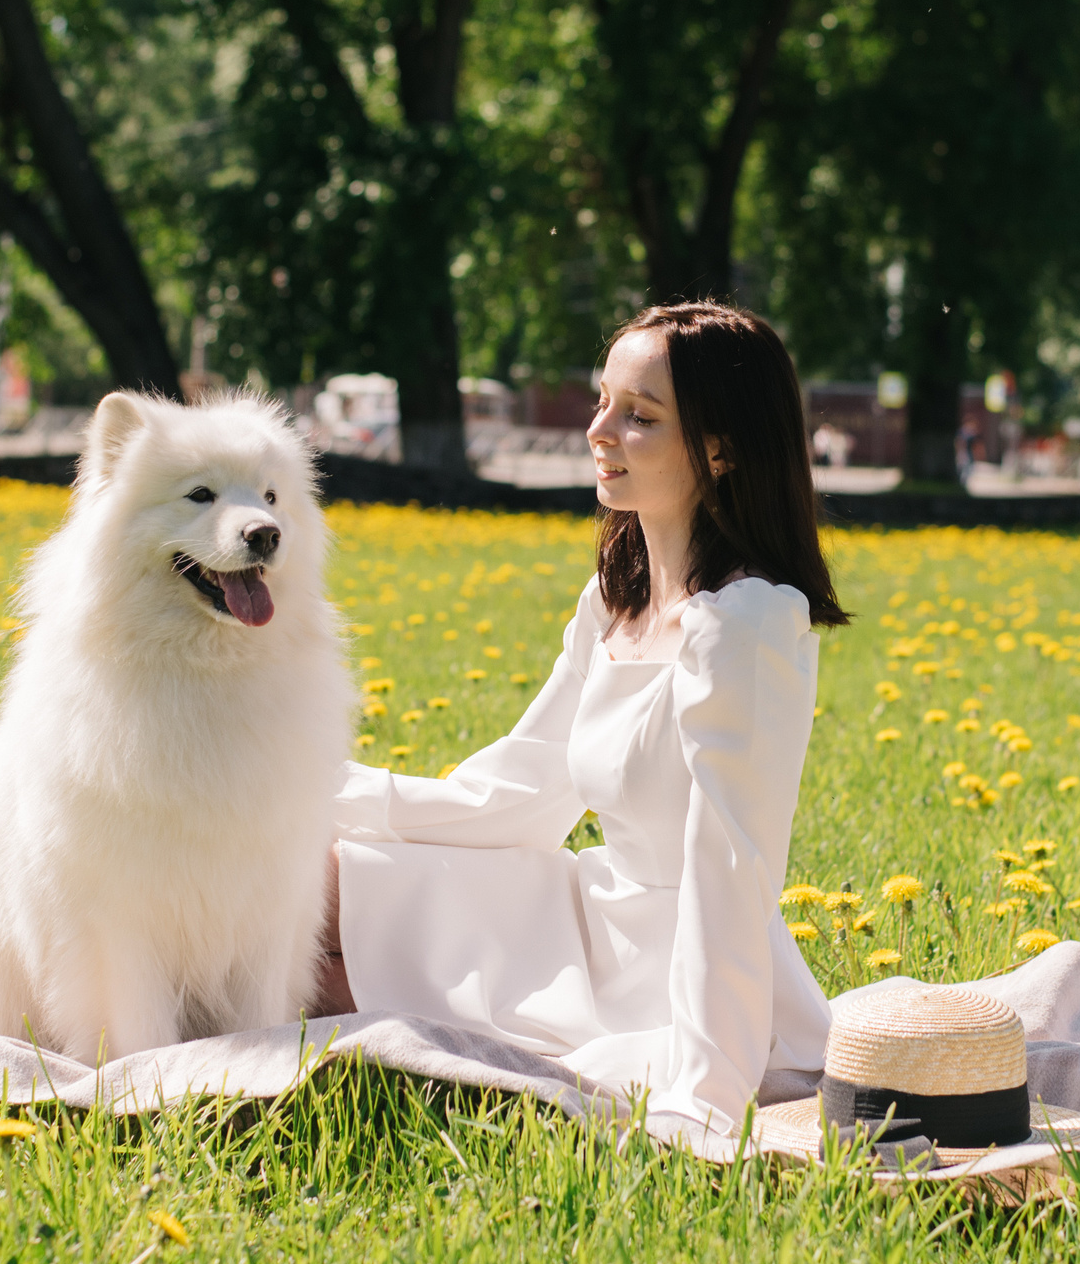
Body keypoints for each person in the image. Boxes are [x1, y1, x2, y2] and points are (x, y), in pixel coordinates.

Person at [310, 301, 851, 1145]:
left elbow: (731, 870)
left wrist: (704, 1094)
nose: (598, 430)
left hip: (679, 974)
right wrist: (333, 798)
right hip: (581, 914)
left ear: (721, 447)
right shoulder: (615, 597)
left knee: (328, 977)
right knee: (315, 881)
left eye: (639, 416)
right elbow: (524, 789)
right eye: (603, 401)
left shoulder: (746, 626)